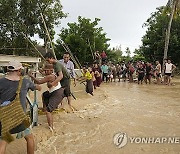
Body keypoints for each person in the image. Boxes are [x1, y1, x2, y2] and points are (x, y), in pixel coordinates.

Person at [0, 60, 41, 154]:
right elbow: (37, 87)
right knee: (30, 138)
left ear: (7, 69)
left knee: (3, 142)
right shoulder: (25, 82)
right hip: (19, 117)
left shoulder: (1, 82)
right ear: (19, 70)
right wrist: (38, 87)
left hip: (4, 118)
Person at [28, 63, 64, 131]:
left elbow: (38, 82)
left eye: (47, 70)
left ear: (51, 70)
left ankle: (51, 127)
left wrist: (31, 76)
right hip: (54, 92)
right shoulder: (51, 75)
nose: (46, 72)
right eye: (45, 70)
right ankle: (45, 108)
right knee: (44, 94)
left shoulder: (50, 76)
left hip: (57, 93)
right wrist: (38, 70)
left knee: (48, 111)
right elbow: (43, 74)